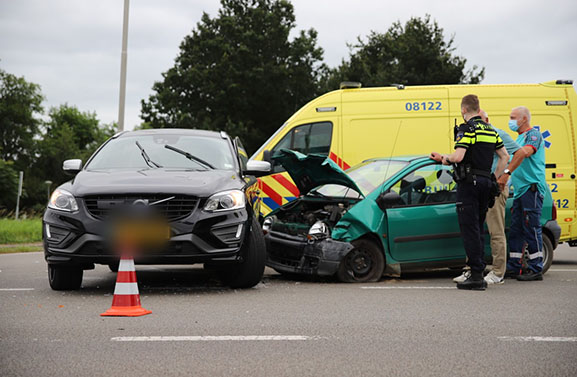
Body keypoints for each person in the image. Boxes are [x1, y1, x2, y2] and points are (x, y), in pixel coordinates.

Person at [431, 95, 508, 290]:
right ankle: (478, 273)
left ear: (464, 110)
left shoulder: (467, 129)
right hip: (485, 184)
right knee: (479, 229)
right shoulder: (490, 130)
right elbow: (504, 156)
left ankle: (475, 276)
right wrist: (494, 178)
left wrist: (444, 158)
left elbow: (458, 156)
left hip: (469, 185)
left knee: (470, 229)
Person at [452, 110, 520, 285]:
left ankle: (498, 272)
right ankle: (471, 269)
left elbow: (518, 153)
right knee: (474, 229)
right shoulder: (474, 133)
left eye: (480, 120)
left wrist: (503, 176)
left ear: (487, 120)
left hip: (494, 186)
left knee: (495, 231)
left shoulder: (497, 133)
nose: (476, 124)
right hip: (478, 186)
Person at [497, 106, 548, 281]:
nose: (510, 120)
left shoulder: (533, 135)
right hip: (520, 191)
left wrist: (507, 173)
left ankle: (535, 268)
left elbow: (525, 152)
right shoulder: (518, 137)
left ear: (524, 119)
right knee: (516, 230)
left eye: (513, 117)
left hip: (531, 189)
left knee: (531, 228)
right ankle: (514, 266)